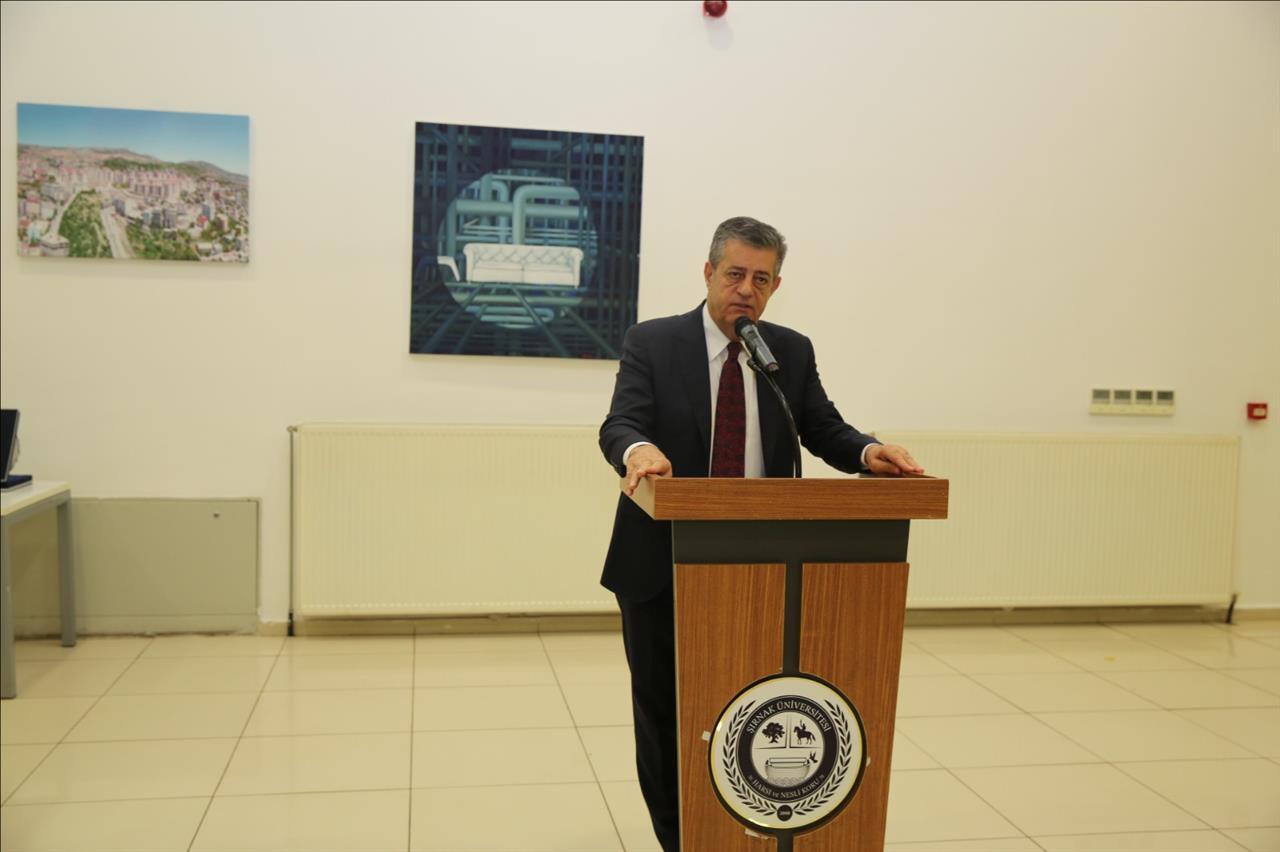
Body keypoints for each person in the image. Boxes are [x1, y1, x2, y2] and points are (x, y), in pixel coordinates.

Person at [597, 216, 922, 851]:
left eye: (762, 279)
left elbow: (822, 427)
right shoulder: (653, 342)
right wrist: (639, 451)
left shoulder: (787, 352)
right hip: (662, 562)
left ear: (775, 286)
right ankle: (678, 838)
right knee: (666, 712)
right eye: (735, 274)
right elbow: (620, 423)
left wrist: (869, 451)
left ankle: (746, 826)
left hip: (764, 565)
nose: (747, 289)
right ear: (708, 273)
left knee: (749, 703)